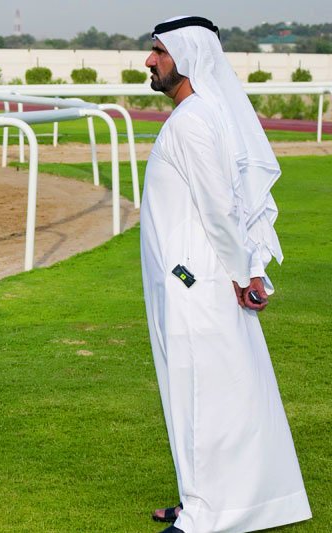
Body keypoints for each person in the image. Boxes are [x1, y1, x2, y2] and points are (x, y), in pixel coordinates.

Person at [140, 16, 312, 533]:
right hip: (197, 276)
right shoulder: (202, 112)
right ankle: (204, 500)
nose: (150, 61)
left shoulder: (193, 118)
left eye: (159, 51)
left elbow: (220, 208)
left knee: (205, 396)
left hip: (197, 281)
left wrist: (244, 274)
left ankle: (206, 516)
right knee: (212, 393)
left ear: (187, 57)